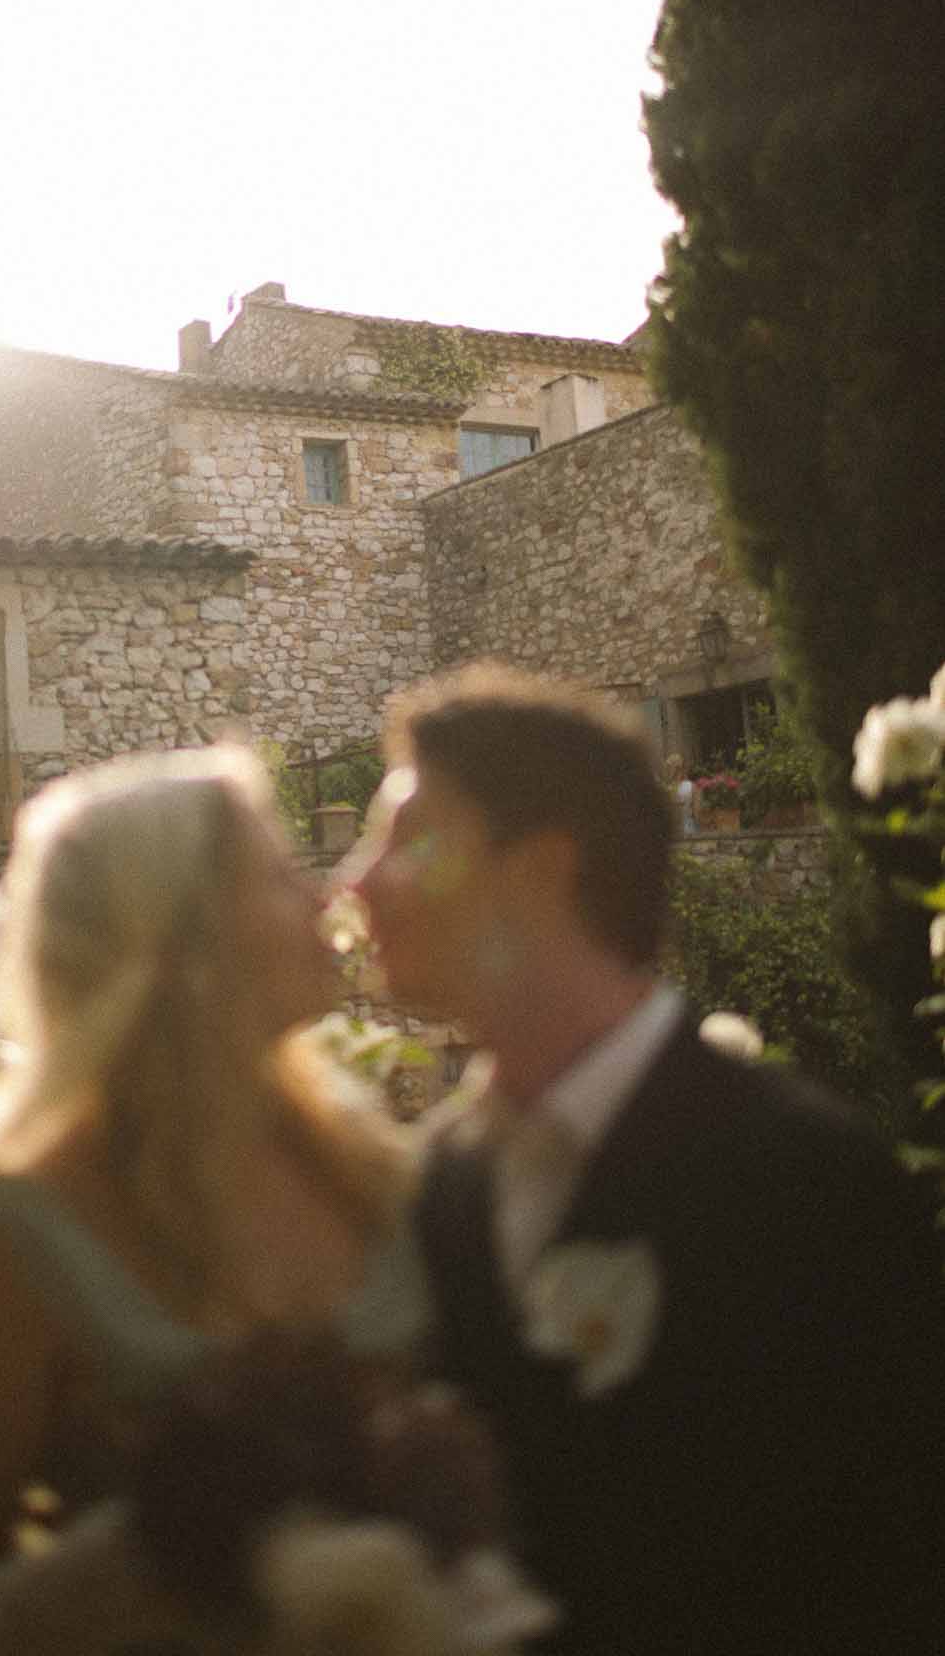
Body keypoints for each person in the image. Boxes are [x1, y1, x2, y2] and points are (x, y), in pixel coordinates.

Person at [347, 664, 943, 1656]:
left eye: (409, 841)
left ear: (538, 869)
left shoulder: (809, 1181)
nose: (354, 880)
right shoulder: (438, 1180)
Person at [0, 743, 428, 1656]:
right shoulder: (18, 1228)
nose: (324, 900)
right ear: (182, 940)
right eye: (277, 879)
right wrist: (161, 1558)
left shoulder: (368, 1165)